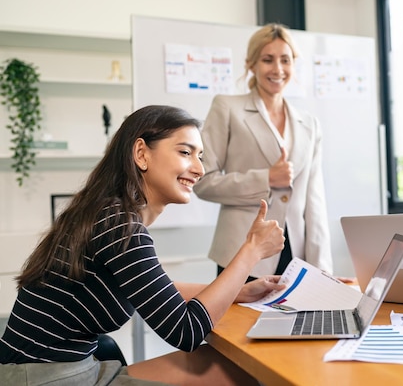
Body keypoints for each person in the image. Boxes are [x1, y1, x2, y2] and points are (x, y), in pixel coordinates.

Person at [0, 105, 286, 385]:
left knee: (227, 370)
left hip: (68, 368)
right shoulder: (118, 224)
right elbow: (186, 331)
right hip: (45, 378)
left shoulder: (109, 213)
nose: (199, 169)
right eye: (185, 152)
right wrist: (251, 251)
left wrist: (239, 290)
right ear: (141, 154)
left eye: (200, 156)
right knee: (235, 373)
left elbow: (155, 289)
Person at [193, 23, 333, 280]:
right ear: (251, 64)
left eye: (285, 60)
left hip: (295, 256)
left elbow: (314, 201)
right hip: (242, 254)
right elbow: (202, 181)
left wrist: (323, 270)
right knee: (240, 322)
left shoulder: (309, 124)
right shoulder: (227, 108)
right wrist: (266, 179)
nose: (278, 69)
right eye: (268, 60)